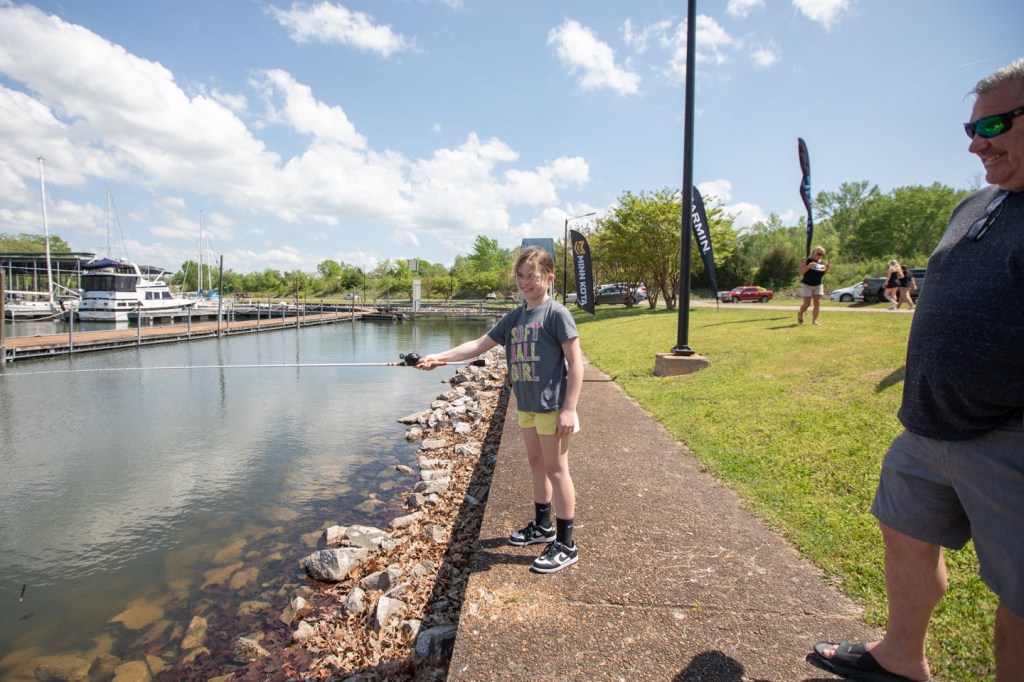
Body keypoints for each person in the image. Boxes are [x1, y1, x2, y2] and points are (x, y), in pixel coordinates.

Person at [808, 57, 1024, 682]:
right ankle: (901, 656)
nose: (977, 143)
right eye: (971, 128)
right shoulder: (975, 204)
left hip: (1007, 434)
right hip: (927, 424)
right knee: (903, 529)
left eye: (994, 125)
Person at [416, 246, 584, 574]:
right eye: (520, 276)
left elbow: (576, 363)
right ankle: (543, 526)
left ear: (549, 278)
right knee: (536, 464)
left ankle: (566, 544)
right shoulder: (514, 317)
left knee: (556, 470)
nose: (525, 282)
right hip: (527, 405)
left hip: (551, 406)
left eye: (533, 276)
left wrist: (570, 408)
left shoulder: (556, 314)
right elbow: (478, 345)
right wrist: (438, 357)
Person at [797, 246, 831, 325]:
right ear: (814, 253)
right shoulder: (806, 261)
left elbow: (822, 275)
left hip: (818, 285)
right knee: (807, 304)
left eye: (822, 255)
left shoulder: (822, 263)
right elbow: (800, 273)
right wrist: (808, 266)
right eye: (819, 254)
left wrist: (827, 268)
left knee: (817, 303)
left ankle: (814, 321)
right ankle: (800, 314)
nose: (820, 256)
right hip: (807, 285)